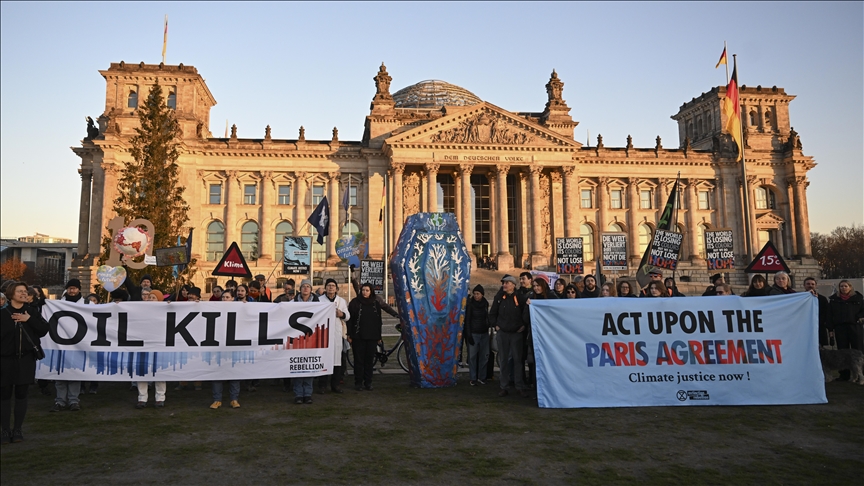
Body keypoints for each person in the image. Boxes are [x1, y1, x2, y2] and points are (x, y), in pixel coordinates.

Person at [1, 282, 50, 444]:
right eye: (20, 291)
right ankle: (5, 430)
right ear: (11, 294)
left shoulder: (32, 311)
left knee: (22, 394)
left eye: (25, 291)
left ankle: (17, 429)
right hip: (5, 360)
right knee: (4, 395)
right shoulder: (3, 313)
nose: (24, 293)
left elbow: (44, 329)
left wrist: (29, 319)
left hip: (26, 359)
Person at [488, 275, 530, 398]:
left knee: (518, 361)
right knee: (503, 360)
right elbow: (492, 313)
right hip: (503, 333)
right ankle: (504, 386)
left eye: (507, 283)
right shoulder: (499, 297)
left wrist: (523, 325)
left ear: (513, 285)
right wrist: (495, 325)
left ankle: (519, 386)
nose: (504, 285)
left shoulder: (520, 297)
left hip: (516, 333)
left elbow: (526, 312)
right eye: (503, 283)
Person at [53, 279, 85, 412]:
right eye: (70, 288)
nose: (72, 291)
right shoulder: (59, 304)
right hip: (61, 343)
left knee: (74, 374)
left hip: (78, 344)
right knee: (60, 374)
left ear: (79, 289)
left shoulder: (86, 304)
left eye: (74, 288)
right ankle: (60, 401)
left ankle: (73, 400)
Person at [347, 283, 384, 393]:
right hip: (358, 336)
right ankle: (358, 382)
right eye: (363, 290)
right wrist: (349, 334)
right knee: (358, 361)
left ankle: (368, 382)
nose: (365, 292)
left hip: (372, 336)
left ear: (371, 291)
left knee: (369, 360)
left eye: (367, 290)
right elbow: (350, 320)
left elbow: (378, 321)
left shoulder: (375, 303)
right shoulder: (355, 302)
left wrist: (379, 336)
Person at [317, 279, 350, 395]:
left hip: (336, 333)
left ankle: (335, 385)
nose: (331, 287)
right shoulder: (319, 300)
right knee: (324, 359)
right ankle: (322, 385)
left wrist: (341, 314)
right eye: (329, 285)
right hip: (323, 332)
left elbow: (348, 316)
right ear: (325, 288)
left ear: (336, 288)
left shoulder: (341, 301)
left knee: (337, 360)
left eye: (333, 286)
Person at [136, 291, 168, 409]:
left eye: (154, 297)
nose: (150, 299)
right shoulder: (140, 309)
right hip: (143, 344)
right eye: (149, 297)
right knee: (142, 371)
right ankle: (142, 397)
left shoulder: (164, 311)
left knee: (159, 371)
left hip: (159, 344)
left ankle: (160, 397)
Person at [211, 290, 241, 409]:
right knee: (217, 374)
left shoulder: (240, 309)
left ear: (233, 298)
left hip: (233, 346)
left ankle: (234, 399)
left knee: (234, 374)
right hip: (218, 346)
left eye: (227, 297)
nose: (224, 299)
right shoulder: (215, 309)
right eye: (223, 297)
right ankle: (217, 399)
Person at [827, 280, 864, 381]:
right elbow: (830, 315)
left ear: (850, 287)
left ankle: (860, 374)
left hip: (855, 327)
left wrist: (858, 317)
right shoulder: (834, 300)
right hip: (840, 328)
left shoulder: (858, 298)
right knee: (842, 352)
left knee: (858, 350)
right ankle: (844, 375)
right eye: (841, 286)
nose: (843, 288)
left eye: (845, 286)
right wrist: (830, 329)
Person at [290, 280, 319, 403]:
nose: (306, 288)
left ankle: (307, 393)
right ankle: (298, 394)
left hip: (312, 338)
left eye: (308, 286)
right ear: (300, 289)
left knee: (308, 365)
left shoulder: (319, 303)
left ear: (311, 289)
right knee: (298, 365)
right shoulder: (292, 303)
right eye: (303, 286)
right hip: (297, 338)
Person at [464, 284, 490, 386]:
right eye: (474, 294)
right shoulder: (470, 304)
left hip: (484, 333)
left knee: (484, 356)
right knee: (472, 357)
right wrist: (469, 334)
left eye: (478, 294)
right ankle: (473, 377)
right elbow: (468, 320)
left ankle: (482, 377)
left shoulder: (485, 303)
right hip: (474, 333)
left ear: (482, 294)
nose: (476, 296)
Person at [803, 277, 831, 347]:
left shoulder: (822, 299)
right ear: (804, 285)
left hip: (819, 327)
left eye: (812, 284)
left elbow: (826, 313)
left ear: (815, 286)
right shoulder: (800, 298)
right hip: (804, 328)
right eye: (808, 284)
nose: (810, 286)